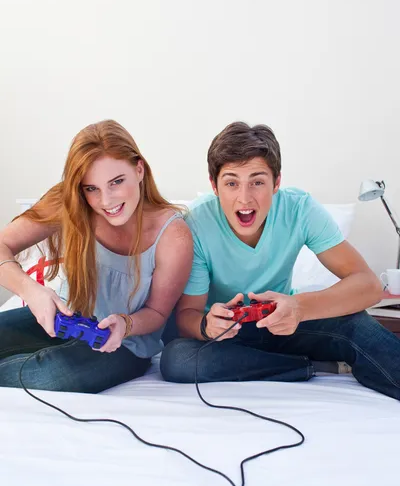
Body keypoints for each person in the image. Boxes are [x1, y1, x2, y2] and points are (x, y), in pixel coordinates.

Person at [160, 121, 400, 401]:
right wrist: (205, 325)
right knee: (177, 358)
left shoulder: (299, 209)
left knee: (357, 325)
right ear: (214, 185)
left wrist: (298, 308)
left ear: (277, 183)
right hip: (228, 335)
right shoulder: (196, 223)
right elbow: (187, 314)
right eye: (231, 183)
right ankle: (303, 367)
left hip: (285, 322)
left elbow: (369, 286)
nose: (244, 198)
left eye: (258, 182)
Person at [0, 120, 193, 393]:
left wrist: (124, 325)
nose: (107, 201)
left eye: (116, 182)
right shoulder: (70, 203)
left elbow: (158, 313)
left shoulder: (173, 234)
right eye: (92, 188)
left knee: (43, 377)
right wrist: (32, 292)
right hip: (65, 317)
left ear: (139, 170)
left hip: (124, 345)